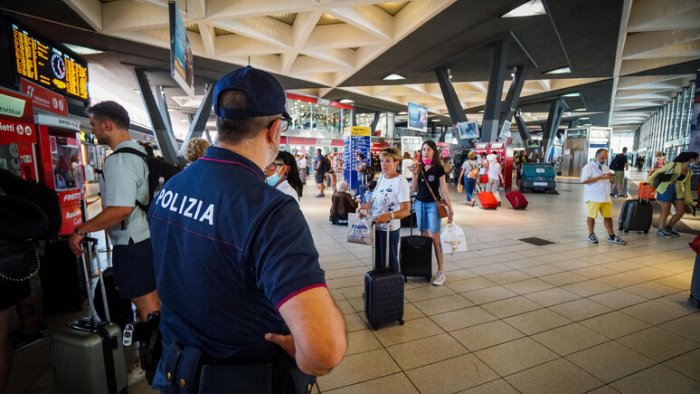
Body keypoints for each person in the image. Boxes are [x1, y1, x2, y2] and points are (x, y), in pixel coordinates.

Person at [148, 66, 346, 391]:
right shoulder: (270, 210)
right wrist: (303, 353)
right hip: (243, 379)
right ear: (274, 130)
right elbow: (324, 351)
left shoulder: (172, 187)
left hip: (177, 374)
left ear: (221, 123)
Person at [67, 101, 161, 385]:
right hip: (145, 239)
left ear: (108, 124)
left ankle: (152, 365)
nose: (92, 129)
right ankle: (161, 358)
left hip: (131, 244)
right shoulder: (140, 153)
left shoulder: (119, 160)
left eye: (94, 124)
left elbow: (120, 209)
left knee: (146, 307)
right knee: (154, 303)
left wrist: (82, 229)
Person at [359, 148, 410, 271]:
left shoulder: (400, 181)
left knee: (390, 260)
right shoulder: (382, 177)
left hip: (390, 229)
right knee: (378, 260)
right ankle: (378, 288)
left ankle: (393, 287)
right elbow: (375, 195)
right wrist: (367, 205)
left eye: (387, 161)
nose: (383, 164)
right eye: (382, 161)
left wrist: (389, 216)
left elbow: (406, 210)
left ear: (396, 163)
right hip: (376, 225)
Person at [411, 140, 454, 285]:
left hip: (433, 206)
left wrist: (451, 210)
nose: (425, 152)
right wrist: (414, 174)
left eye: (428, 149)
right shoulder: (419, 167)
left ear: (434, 151)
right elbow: (414, 189)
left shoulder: (438, 169)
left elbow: (444, 190)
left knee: (435, 238)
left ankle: (441, 271)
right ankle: (425, 268)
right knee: (423, 237)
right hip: (419, 204)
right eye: (423, 149)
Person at [580, 148, 627, 245]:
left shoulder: (605, 167)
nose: (603, 160)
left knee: (608, 217)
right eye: (602, 158)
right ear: (596, 157)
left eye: (605, 158)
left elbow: (610, 181)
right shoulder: (588, 167)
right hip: (593, 196)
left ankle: (611, 236)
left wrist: (612, 179)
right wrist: (600, 177)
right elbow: (584, 181)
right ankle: (591, 234)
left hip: (605, 196)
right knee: (592, 216)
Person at [649, 151, 700, 238]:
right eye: (697, 158)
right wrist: (650, 183)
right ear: (691, 158)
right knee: (666, 211)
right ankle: (660, 230)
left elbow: (687, 188)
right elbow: (657, 172)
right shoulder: (673, 165)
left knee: (681, 212)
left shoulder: (689, 171)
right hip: (666, 189)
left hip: (678, 191)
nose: (698, 160)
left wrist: (689, 201)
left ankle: (668, 228)